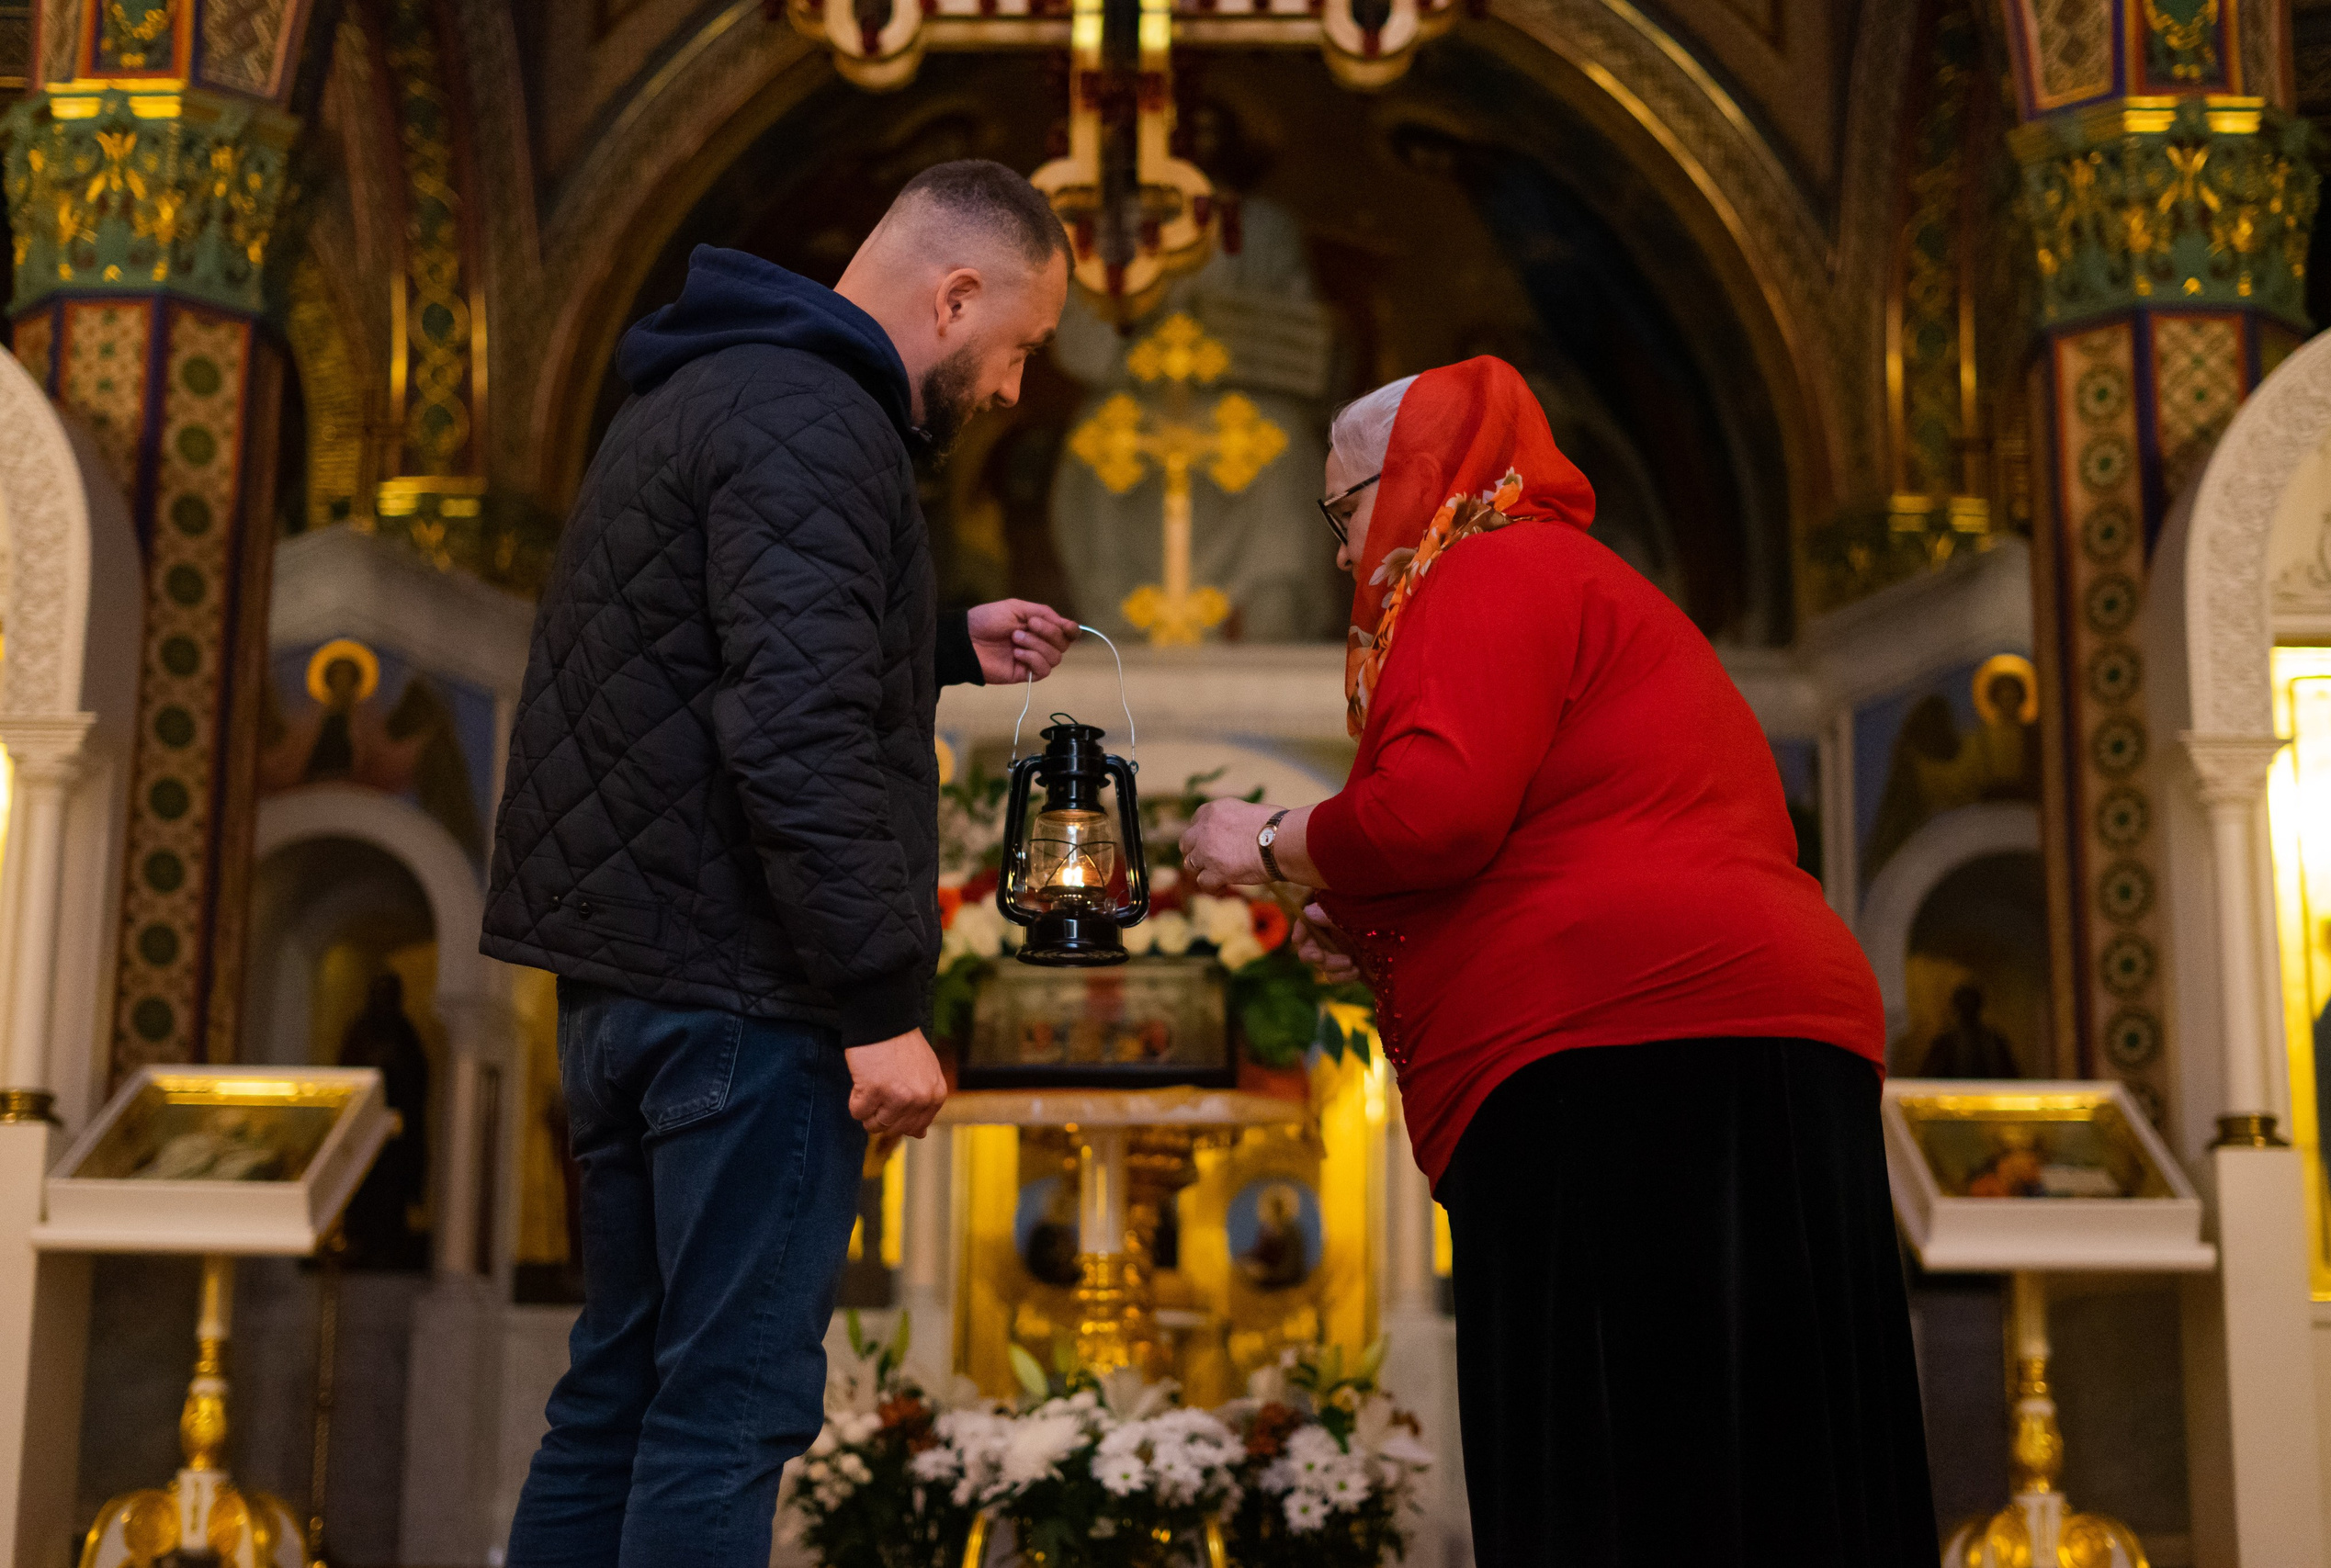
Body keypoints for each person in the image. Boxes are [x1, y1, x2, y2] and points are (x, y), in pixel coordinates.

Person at [1180, 357, 1936, 1565]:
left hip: (1626, 1056)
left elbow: (1435, 812)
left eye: (1340, 512)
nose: (1337, 556)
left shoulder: (1483, 562)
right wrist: (1373, 928)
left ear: (1414, 474)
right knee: (1780, 1456)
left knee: (1624, 1460)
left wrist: (1265, 841)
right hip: (1739, 1039)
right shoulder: (1565, 577)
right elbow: (1554, 826)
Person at [483, 160, 1080, 1568]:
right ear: (954, 295)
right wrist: (879, 1005)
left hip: (627, 980)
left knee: (618, 1392)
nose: (1011, 389)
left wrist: (936, 640)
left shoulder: (703, 385)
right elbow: (792, 728)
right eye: (1021, 346)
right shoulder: (825, 420)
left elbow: (702, 653)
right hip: (747, 991)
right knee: (726, 1411)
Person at [337, 971, 431, 1269]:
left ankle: (389, 1246)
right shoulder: (361, 1030)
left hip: (396, 1133)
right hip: (363, 1129)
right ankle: (360, 1242)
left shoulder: (404, 1031)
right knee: (364, 1188)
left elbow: (419, 1074)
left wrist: (396, 1064)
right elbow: (346, 1074)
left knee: (393, 1192)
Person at [1921, 983, 2020, 1079]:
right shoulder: (1945, 1041)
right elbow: (1930, 1077)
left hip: (1990, 1094)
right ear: (1957, 1006)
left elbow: (2010, 1077)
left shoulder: (1994, 1040)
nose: (1968, 1008)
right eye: (1964, 1004)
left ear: (1979, 1006)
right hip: (1952, 1094)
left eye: (1972, 1004)